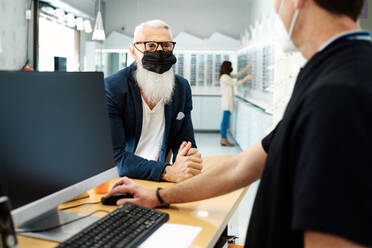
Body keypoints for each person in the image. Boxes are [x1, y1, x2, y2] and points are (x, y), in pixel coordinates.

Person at [105, 0, 372, 247]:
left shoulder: (339, 91)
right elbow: (242, 166)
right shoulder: (329, 73)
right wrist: (160, 195)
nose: (276, 10)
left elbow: (334, 232)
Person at [104, 20, 202, 183]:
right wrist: (167, 171)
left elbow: (185, 140)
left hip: (162, 180)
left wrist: (187, 160)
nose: (159, 52)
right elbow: (115, 158)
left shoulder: (181, 88)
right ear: (133, 51)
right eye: (150, 45)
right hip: (124, 180)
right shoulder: (113, 88)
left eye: (166, 46)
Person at [219, 61, 252, 146]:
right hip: (227, 103)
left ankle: (224, 139)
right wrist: (246, 78)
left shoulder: (227, 76)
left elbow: (237, 75)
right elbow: (236, 83)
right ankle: (223, 139)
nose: (231, 68)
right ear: (227, 67)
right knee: (225, 122)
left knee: (225, 122)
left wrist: (246, 69)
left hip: (227, 102)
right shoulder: (224, 77)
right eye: (231, 66)